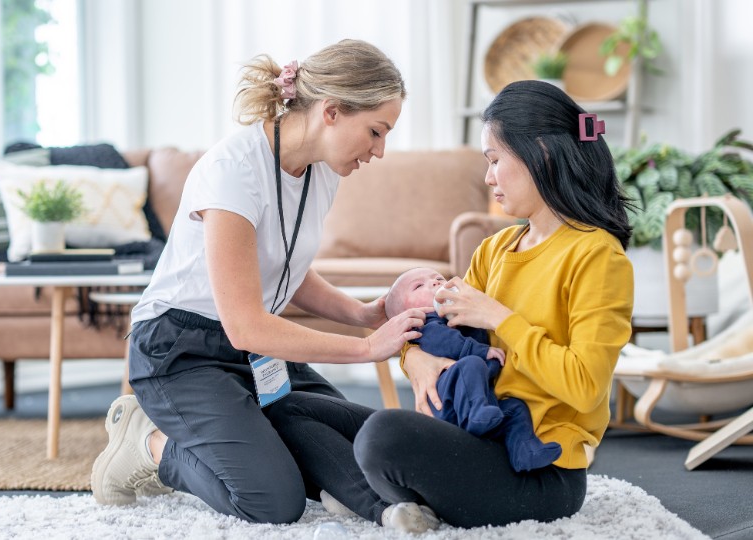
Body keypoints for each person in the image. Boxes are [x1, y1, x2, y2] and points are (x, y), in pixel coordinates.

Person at [89, 39, 438, 532]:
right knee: (272, 500)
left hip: (255, 356)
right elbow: (246, 325)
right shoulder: (233, 172)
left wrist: (363, 313)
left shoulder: (324, 172)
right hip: (180, 352)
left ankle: (250, 433)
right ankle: (149, 445)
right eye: (376, 132)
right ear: (332, 111)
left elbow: (284, 264)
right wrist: (367, 348)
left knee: (363, 440)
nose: (379, 151)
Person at [351, 79, 636, 528]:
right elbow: (438, 326)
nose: (488, 177)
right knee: (321, 411)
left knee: (381, 436)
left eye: (494, 160)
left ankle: (384, 501)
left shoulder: (598, 257)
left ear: (540, 153)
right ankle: (399, 503)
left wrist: (500, 317)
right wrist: (416, 358)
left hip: (540, 472)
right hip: (477, 437)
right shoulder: (496, 248)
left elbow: (585, 386)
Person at [385, 266, 562, 472]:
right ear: (407, 314)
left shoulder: (460, 317)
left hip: (483, 405)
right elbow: (446, 343)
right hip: (449, 404)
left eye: (438, 278)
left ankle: (524, 452)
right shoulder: (427, 324)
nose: (434, 283)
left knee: (515, 408)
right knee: (471, 363)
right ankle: (477, 414)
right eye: (418, 286)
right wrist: (481, 351)